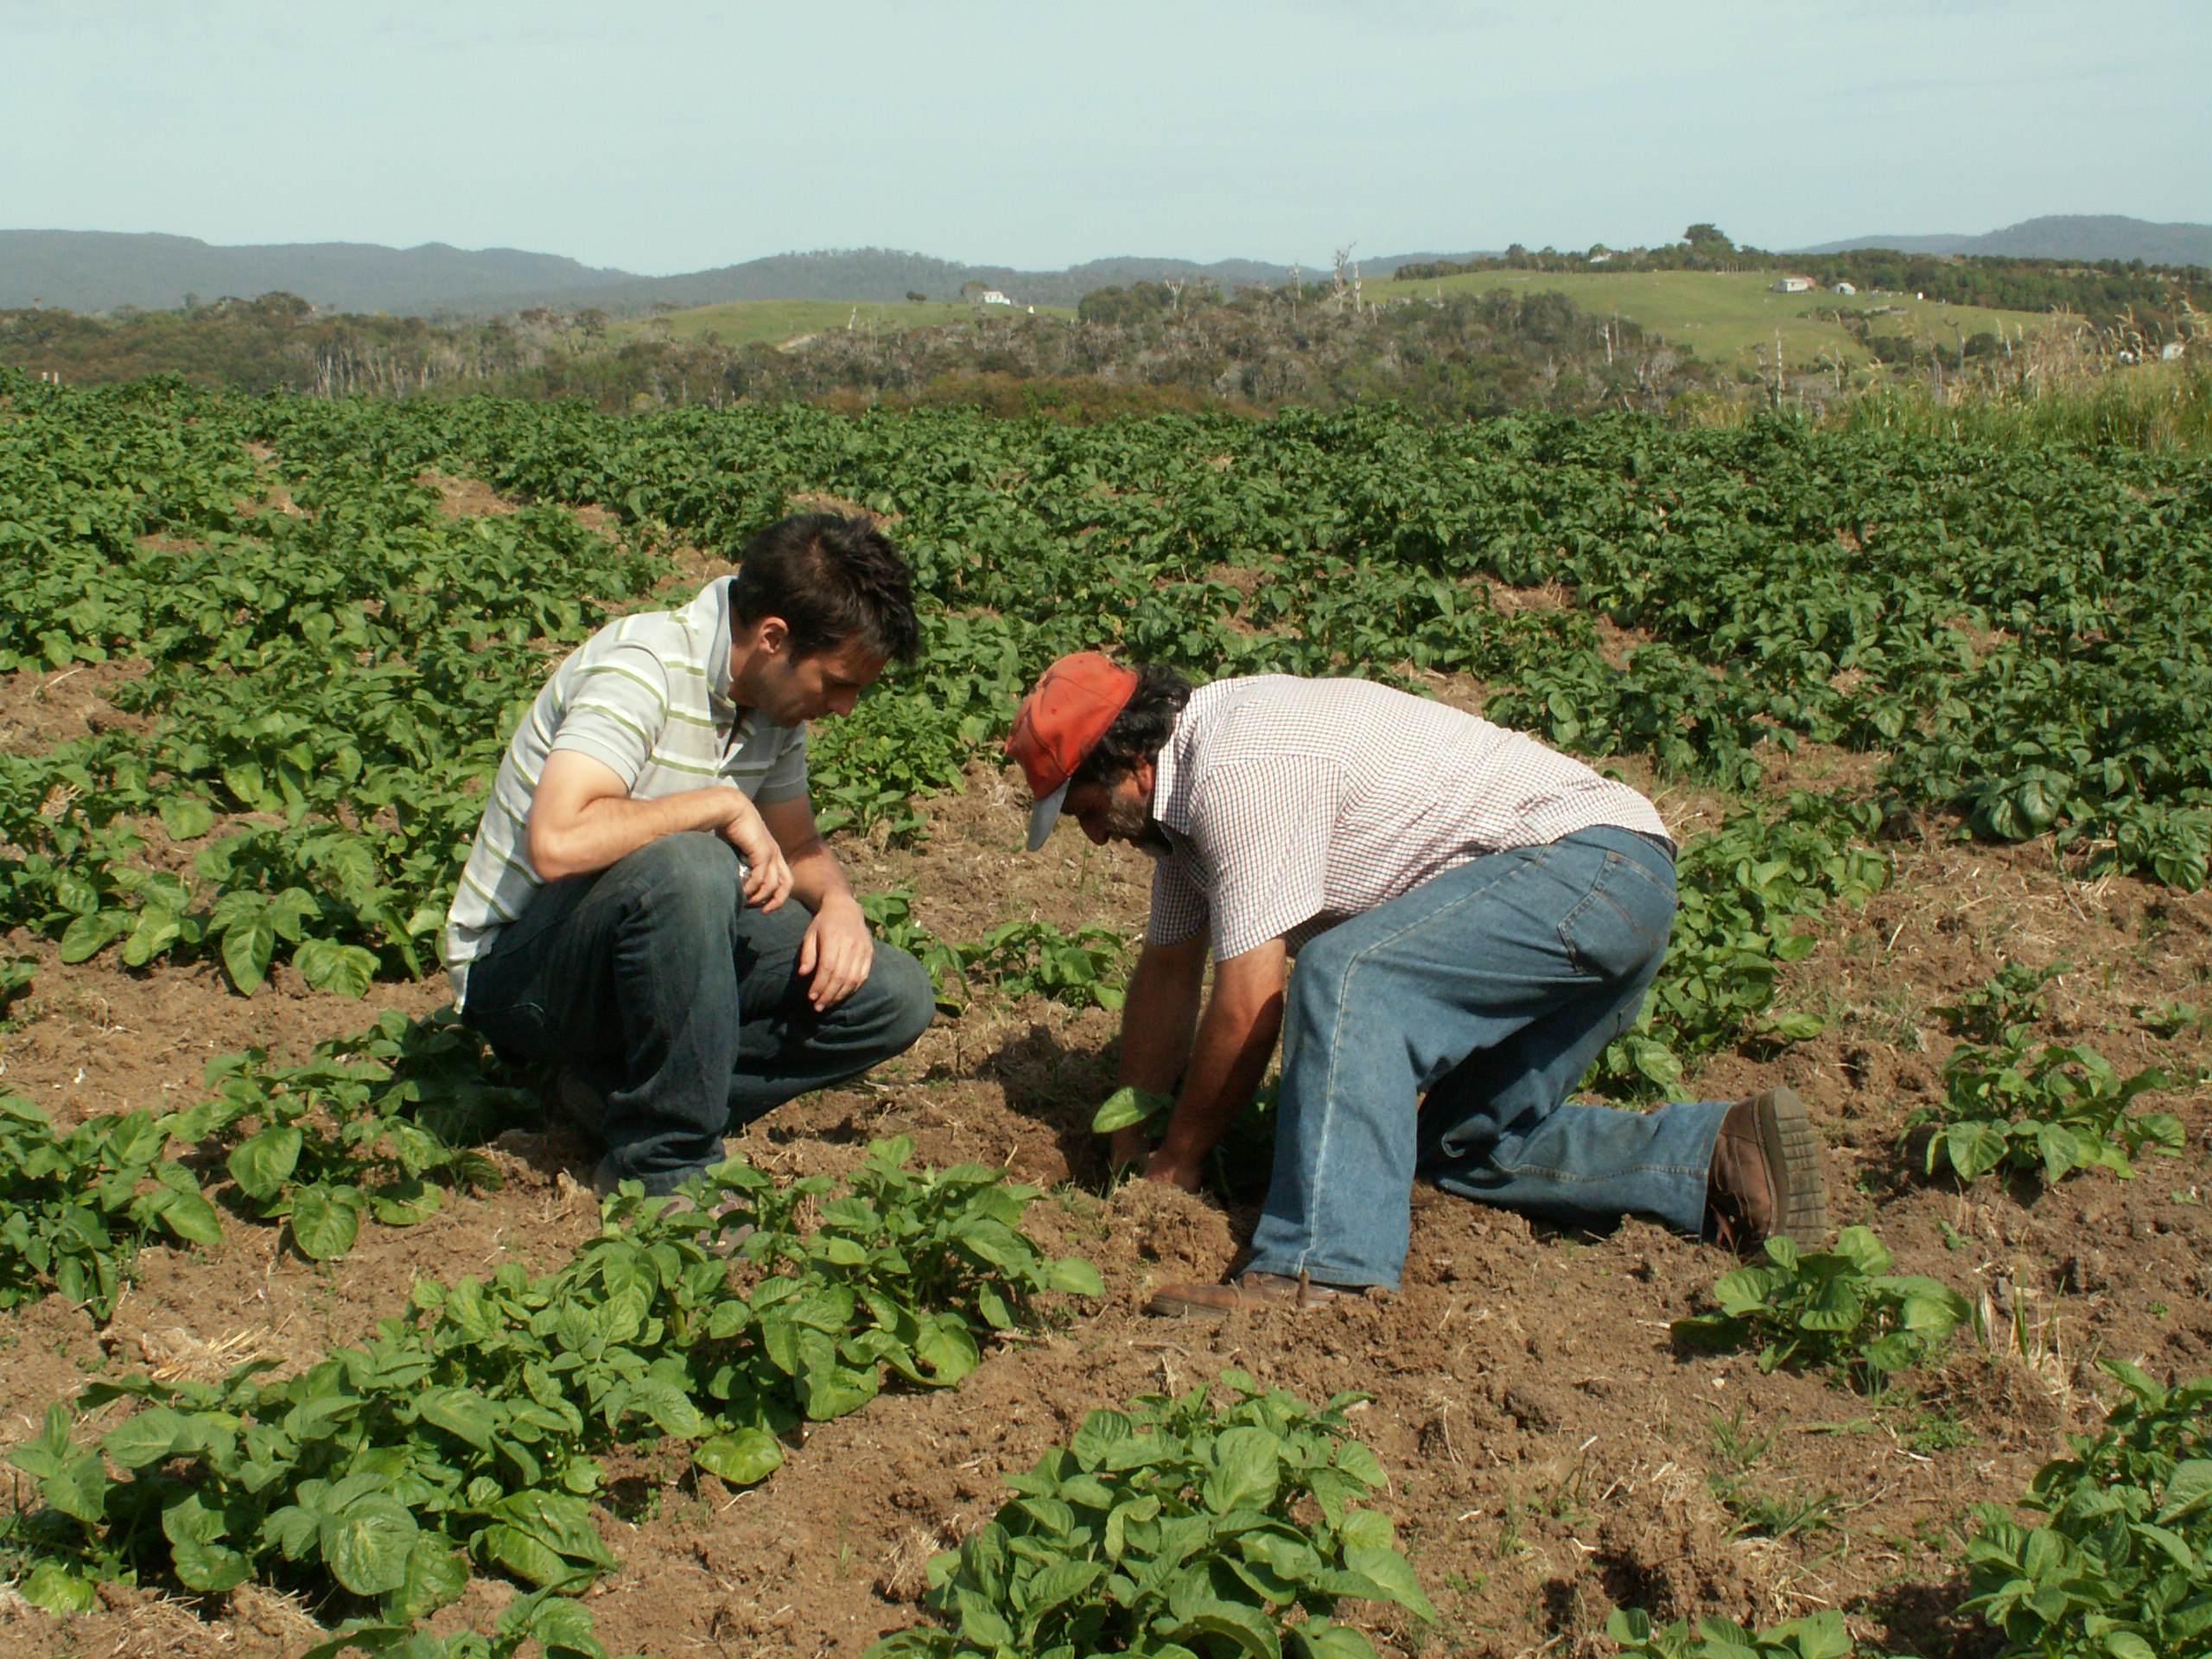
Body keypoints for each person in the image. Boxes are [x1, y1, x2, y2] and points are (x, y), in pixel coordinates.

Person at [1007, 653, 1829, 1317]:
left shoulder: (1241, 764)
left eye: (1080, 809)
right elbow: (1166, 972)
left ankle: (1322, 1272)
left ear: (1129, 761)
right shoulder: (1178, 821)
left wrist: (1179, 1163)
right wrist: (1128, 1140)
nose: (1089, 836)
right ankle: (1718, 1157)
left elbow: (1250, 1000)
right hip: (1615, 886)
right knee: (1457, 1147)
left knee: (1346, 973)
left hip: (1587, 867)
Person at [446, 513, 936, 1198]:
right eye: (837, 682)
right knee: (692, 865)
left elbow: (798, 847)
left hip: (660, 946)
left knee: (892, 995)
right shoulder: (641, 669)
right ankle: (664, 1163)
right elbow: (558, 843)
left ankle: (616, 1098)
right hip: (527, 976)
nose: (847, 707)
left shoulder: (772, 705)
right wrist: (717, 805)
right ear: (773, 639)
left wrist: (839, 903)